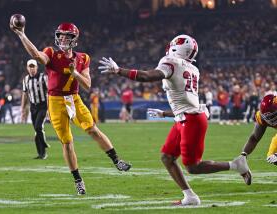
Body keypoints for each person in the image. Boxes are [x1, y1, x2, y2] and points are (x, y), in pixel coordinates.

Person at [99, 34, 251, 206]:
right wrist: (165, 114)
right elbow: (185, 103)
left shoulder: (171, 62)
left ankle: (236, 165)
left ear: (176, 47)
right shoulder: (194, 69)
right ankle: (190, 196)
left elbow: (147, 76)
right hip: (186, 118)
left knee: (193, 167)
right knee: (167, 157)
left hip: (191, 120)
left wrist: (119, 71)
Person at [10, 21, 131, 195]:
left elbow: (88, 85)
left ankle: (117, 160)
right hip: (55, 100)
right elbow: (37, 56)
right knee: (67, 142)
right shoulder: (51, 53)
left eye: (67, 36)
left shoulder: (83, 58)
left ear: (75, 39)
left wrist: (74, 73)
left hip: (74, 98)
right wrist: (22, 34)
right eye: (61, 35)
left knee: (93, 130)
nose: (63, 38)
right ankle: (78, 180)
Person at [21, 59, 49, 159]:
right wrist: (23, 109)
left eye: (33, 66)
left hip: (43, 106)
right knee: (37, 130)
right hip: (33, 107)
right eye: (30, 67)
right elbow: (25, 94)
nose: (32, 69)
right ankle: (41, 153)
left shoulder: (43, 78)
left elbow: (49, 92)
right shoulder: (26, 79)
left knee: (38, 127)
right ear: (27, 68)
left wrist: (49, 107)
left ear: (37, 67)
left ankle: (44, 145)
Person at [239, 94, 277, 166]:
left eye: (273, 116)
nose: (271, 119)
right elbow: (254, 138)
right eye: (269, 117)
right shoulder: (262, 118)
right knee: (272, 157)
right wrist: (243, 156)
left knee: (272, 154)